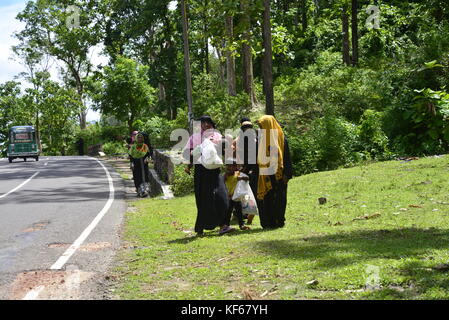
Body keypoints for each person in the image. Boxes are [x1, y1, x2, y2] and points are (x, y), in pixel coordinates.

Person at [183, 115, 233, 236]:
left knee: (222, 197)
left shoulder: (217, 136)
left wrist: (229, 164)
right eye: (203, 123)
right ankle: (200, 228)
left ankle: (223, 225)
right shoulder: (194, 138)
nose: (206, 125)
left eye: (208, 123)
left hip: (215, 171)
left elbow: (226, 151)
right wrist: (189, 165)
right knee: (204, 200)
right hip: (201, 172)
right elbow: (187, 154)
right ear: (200, 125)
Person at [256, 115, 293, 229]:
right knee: (268, 198)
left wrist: (287, 174)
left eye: (262, 126)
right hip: (267, 173)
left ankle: (279, 221)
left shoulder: (281, 139)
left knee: (280, 198)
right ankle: (270, 222)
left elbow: (286, 157)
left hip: (280, 174)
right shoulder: (262, 140)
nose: (261, 129)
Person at [234, 118, 258, 225]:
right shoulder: (241, 140)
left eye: (249, 128)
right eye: (245, 128)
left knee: (251, 192)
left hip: (252, 170)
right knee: (245, 193)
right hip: (244, 169)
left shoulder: (255, 139)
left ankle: (249, 215)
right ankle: (245, 212)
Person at [223, 159, 251, 231]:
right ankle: (226, 225)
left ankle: (241, 225)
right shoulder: (225, 176)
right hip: (229, 197)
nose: (228, 168)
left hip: (237, 197)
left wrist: (241, 178)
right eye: (227, 166)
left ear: (235, 167)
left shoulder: (238, 174)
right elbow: (222, 184)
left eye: (231, 166)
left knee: (239, 211)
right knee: (228, 211)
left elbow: (247, 178)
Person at [129, 133, 151, 197]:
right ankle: (139, 191)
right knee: (137, 177)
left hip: (144, 164)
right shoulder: (133, 147)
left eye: (141, 137)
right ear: (136, 139)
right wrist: (131, 163)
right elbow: (131, 156)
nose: (140, 139)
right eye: (138, 138)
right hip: (136, 164)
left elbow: (148, 154)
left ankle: (145, 191)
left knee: (144, 177)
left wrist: (147, 158)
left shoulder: (145, 146)